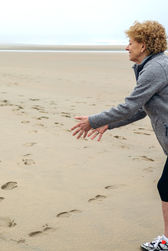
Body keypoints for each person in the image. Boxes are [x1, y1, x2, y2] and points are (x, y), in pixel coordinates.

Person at [71, 20, 168, 251]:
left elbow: (128, 106)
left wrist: (93, 121)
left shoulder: (155, 69)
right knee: (166, 187)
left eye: (130, 42)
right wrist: (110, 126)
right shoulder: (153, 66)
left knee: (166, 187)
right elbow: (140, 111)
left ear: (143, 45)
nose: (127, 47)